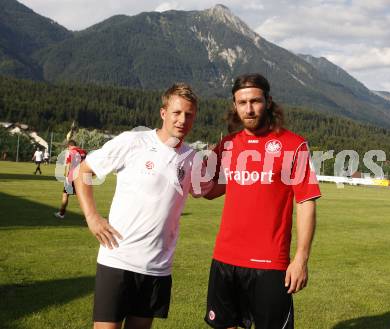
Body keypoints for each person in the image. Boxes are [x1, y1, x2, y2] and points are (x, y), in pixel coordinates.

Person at [74, 83, 212, 329]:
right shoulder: (133, 142)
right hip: (118, 259)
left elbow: (208, 190)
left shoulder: (192, 158)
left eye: (189, 114)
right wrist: (92, 218)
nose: (182, 120)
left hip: (157, 268)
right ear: (163, 113)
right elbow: (81, 172)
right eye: (176, 113)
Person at [204, 73, 322, 329]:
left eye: (255, 101)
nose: (249, 109)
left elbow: (306, 202)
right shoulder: (227, 145)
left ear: (268, 101)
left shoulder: (293, 145)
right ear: (234, 106)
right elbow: (210, 188)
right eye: (242, 103)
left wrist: (301, 259)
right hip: (225, 259)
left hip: (269, 264)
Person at [54, 140, 87, 219]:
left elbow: (68, 165)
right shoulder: (84, 152)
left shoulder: (71, 152)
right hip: (83, 177)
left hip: (72, 177)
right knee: (83, 197)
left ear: (69, 146)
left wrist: (66, 177)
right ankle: (88, 217)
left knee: (65, 195)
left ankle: (61, 214)